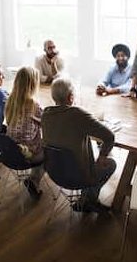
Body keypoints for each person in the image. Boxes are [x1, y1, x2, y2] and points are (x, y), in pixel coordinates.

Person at [42, 78, 116, 212]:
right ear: (71, 97)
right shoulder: (77, 114)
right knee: (110, 164)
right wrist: (102, 156)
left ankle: (86, 198)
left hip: (55, 173)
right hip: (78, 176)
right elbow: (109, 137)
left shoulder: (45, 114)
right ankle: (89, 199)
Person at [4, 67, 44, 200]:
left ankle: (32, 179)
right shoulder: (34, 105)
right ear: (33, 84)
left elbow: (9, 122)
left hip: (10, 151)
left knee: (32, 138)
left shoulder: (10, 101)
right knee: (50, 150)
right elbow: (47, 124)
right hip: (27, 155)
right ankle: (34, 180)